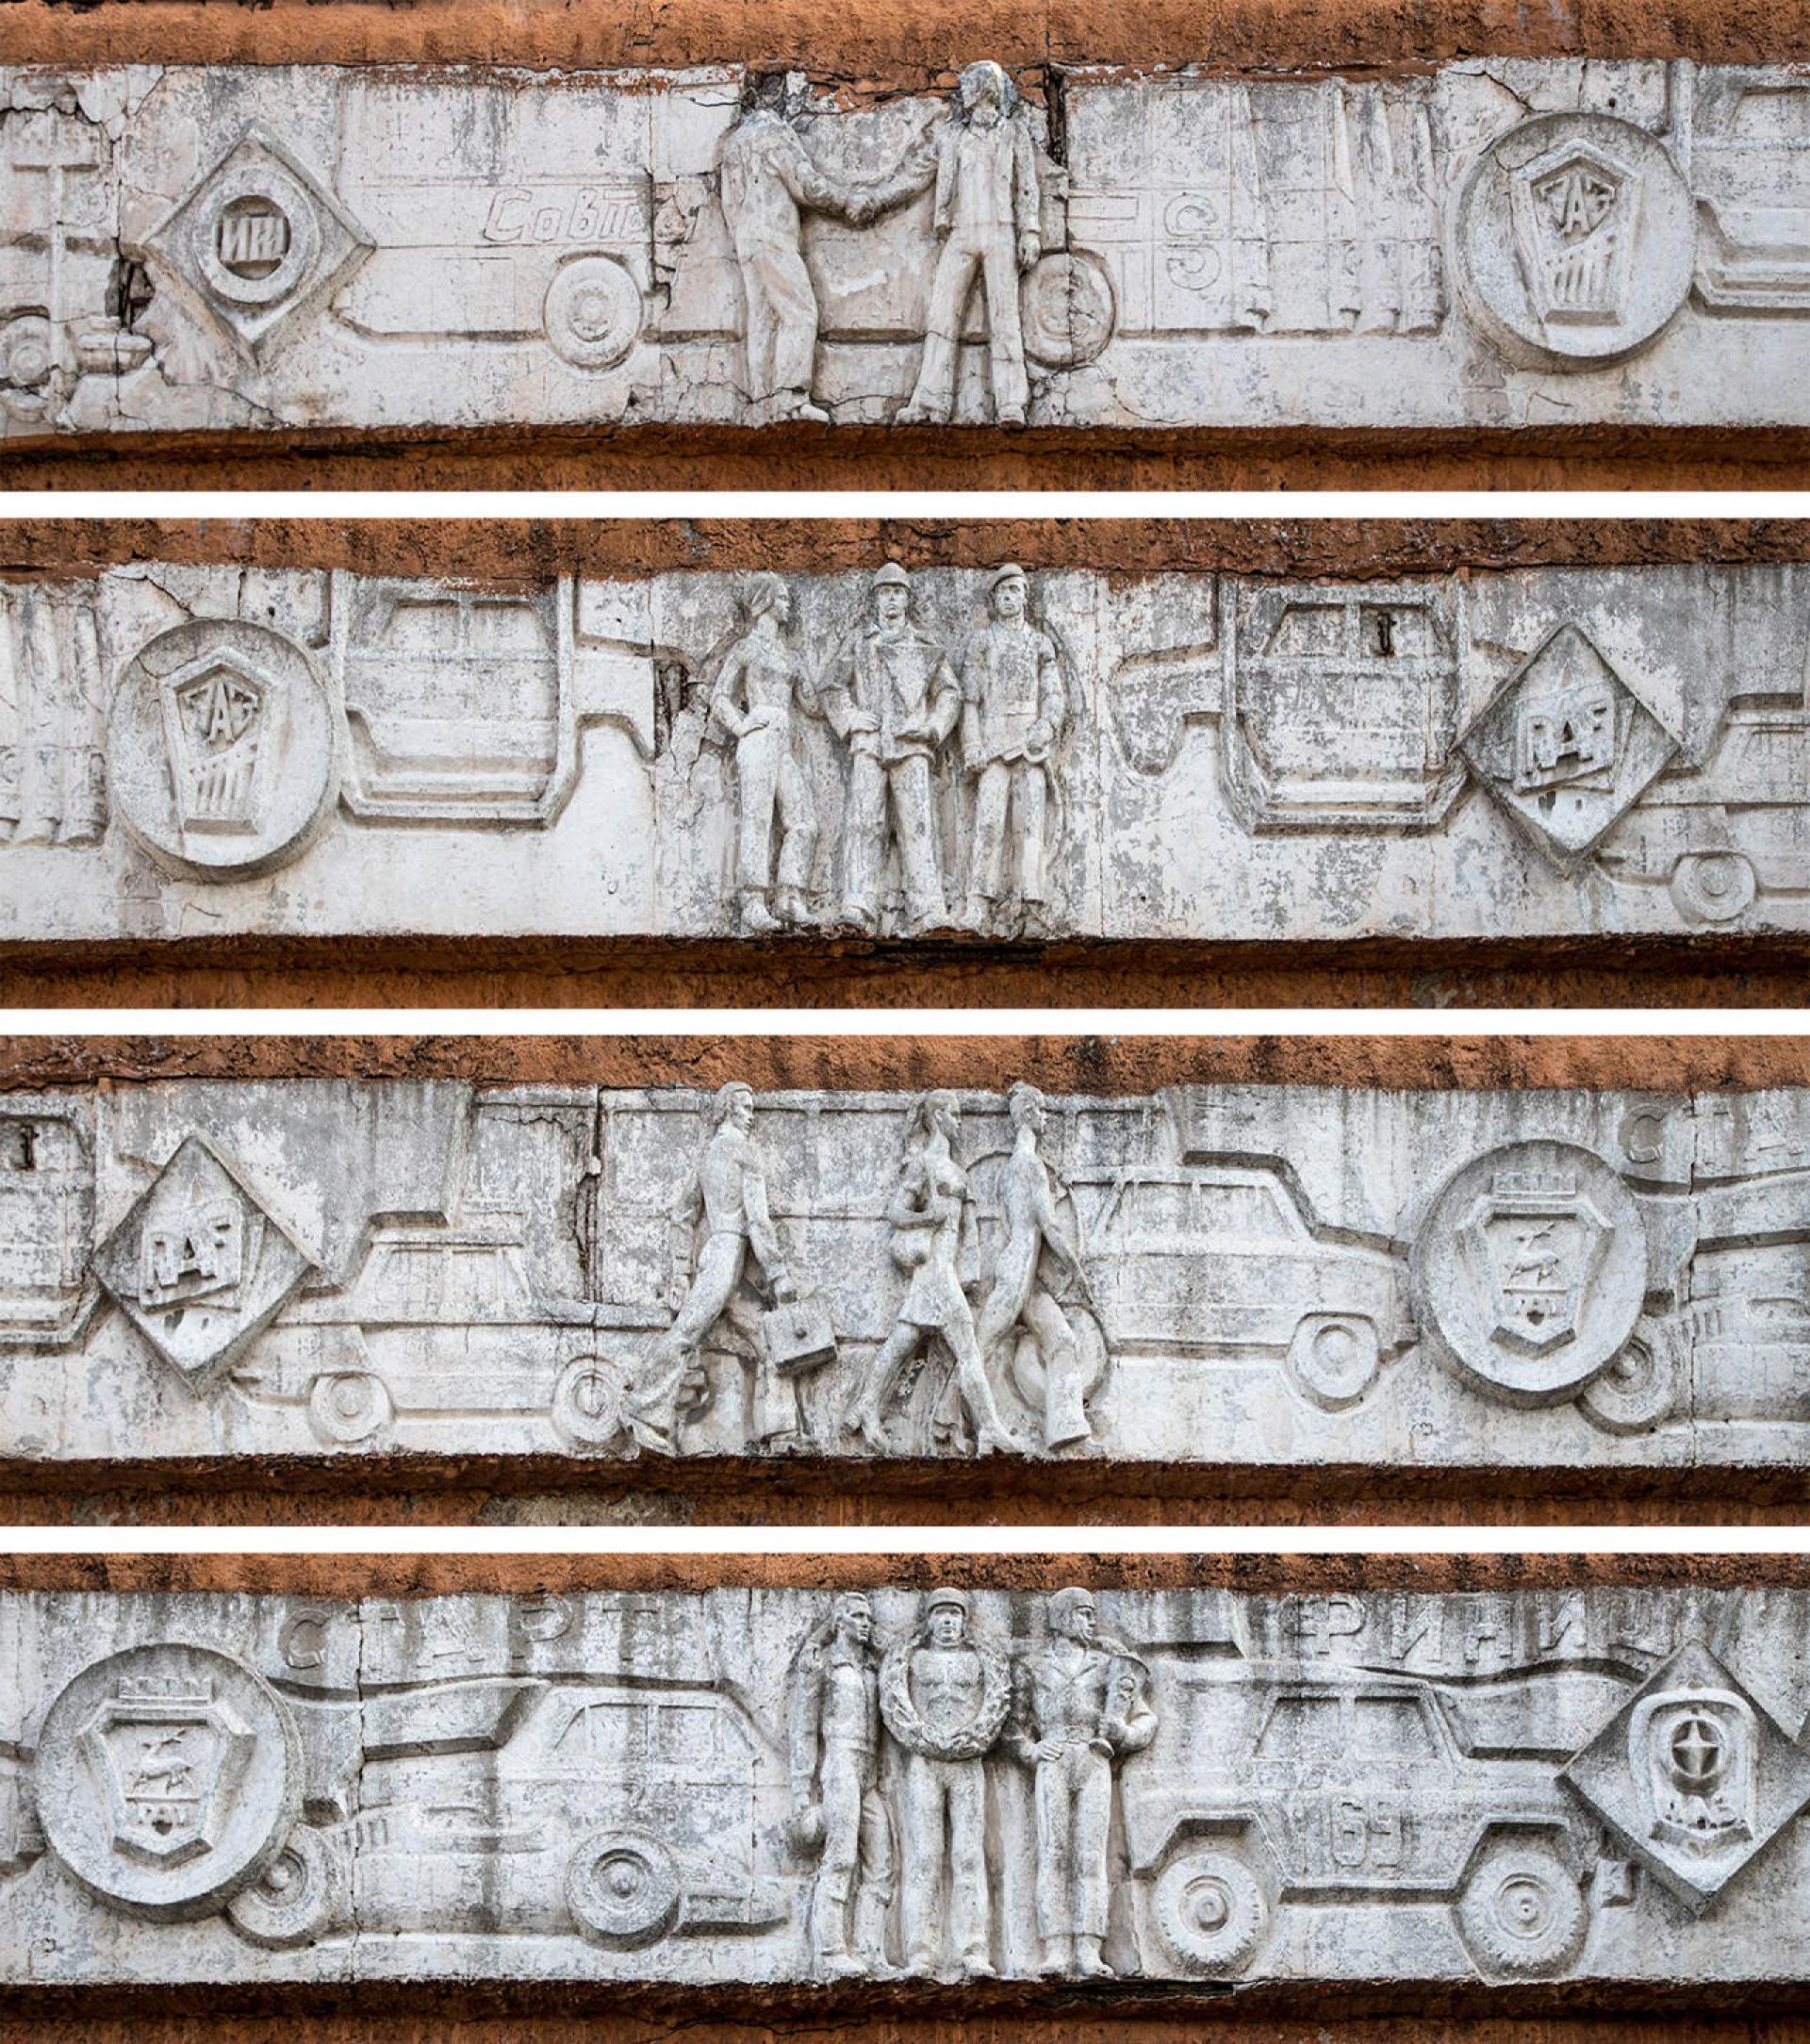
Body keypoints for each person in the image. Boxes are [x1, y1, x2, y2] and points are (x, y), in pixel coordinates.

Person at [625, 1080, 796, 1451]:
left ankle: (780, 1432)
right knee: (687, 1332)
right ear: (728, 1110)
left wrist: (681, 1271)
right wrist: (779, 1275)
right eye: (746, 1108)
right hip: (728, 1254)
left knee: (766, 1338)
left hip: (717, 1255)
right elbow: (759, 1222)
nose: (751, 1116)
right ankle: (644, 1410)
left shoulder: (709, 1154)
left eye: (751, 1108)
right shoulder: (744, 1153)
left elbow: (683, 1215)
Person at [845, 1090, 1015, 1456]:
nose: (960, 1122)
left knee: (902, 1341)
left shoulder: (955, 1171)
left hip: (941, 1272)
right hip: (935, 1273)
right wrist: (926, 1218)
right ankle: (989, 1428)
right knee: (967, 1351)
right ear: (937, 1117)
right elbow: (895, 1212)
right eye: (954, 1115)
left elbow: (967, 1234)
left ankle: (865, 1405)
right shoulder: (922, 1164)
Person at [717, 71, 886, 425]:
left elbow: (729, 203)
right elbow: (806, 186)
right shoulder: (774, 135)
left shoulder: (735, 143)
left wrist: (743, 235)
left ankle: (762, 402)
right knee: (800, 313)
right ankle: (791, 399)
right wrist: (846, 203)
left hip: (747, 239)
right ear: (777, 96)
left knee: (763, 319)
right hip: (774, 236)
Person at [1005, 1586, 1157, 1978]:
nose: (1091, 1621)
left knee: (1090, 1857)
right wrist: (1031, 1751)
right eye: (1083, 1614)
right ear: (1061, 1617)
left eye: (1091, 1615)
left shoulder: (1110, 1664)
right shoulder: (1034, 1666)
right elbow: (1011, 1726)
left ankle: (1089, 1948)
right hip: (1054, 1761)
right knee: (1054, 1853)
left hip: (1094, 1758)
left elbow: (1145, 1719)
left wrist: (1121, 1732)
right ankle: (1056, 1948)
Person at [897, 60, 1041, 427]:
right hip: (960, 232)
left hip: (1000, 231)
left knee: (1005, 318)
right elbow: (917, 174)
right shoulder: (952, 136)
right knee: (942, 315)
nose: (964, 93)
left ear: (980, 91)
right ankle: (931, 401)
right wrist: (876, 198)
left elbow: (1027, 186)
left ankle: (1011, 403)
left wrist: (1031, 231)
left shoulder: (1013, 133)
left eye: (969, 87)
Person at [819, 562, 960, 933]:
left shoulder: (924, 644)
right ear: (876, 599)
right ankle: (858, 903)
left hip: (911, 745)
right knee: (865, 822)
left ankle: (928, 908)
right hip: (869, 743)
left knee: (918, 825)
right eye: (885, 593)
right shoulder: (859, 643)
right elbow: (832, 687)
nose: (892, 599)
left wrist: (931, 727)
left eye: (898, 592)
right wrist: (850, 719)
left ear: (907, 599)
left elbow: (949, 692)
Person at [880, 1587, 1010, 1979]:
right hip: (923, 1761)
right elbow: (896, 1703)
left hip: (968, 1761)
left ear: (965, 1622)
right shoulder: (914, 1660)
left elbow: (996, 1703)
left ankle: (974, 1950)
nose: (949, 1621)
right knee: (924, 1859)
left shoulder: (979, 1661)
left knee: (969, 1858)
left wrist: (969, 1737)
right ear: (929, 1620)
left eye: (955, 1614)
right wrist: (926, 1737)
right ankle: (922, 1953)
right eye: (941, 1614)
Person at [975, 1081, 1094, 1448]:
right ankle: (949, 1421)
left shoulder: (1015, 1165)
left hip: (1024, 1268)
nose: (1045, 1117)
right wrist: (1074, 1267)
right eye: (1040, 1111)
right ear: (1028, 1114)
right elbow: (1048, 1224)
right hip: (1018, 1268)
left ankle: (1065, 1430)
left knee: (1062, 1340)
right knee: (980, 1346)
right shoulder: (1029, 1164)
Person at [787, 1591, 897, 1979]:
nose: (866, 1623)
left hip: (870, 1771)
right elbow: (803, 1729)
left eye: (868, 1617)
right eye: (857, 1617)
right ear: (839, 1623)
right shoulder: (822, 1666)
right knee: (840, 1858)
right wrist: (802, 1788)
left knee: (881, 1864)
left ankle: (869, 1951)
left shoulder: (873, 1669)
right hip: (840, 1763)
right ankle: (830, 1951)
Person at [956, 565, 1066, 932]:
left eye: (1014, 591)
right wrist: (971, 744)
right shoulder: (982, 642)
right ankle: (978, 901)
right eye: (1002, 592)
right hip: (992, 744)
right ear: (994, 600)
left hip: (1030, 745)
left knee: (1030, 824)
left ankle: (1031, 901)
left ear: (1024, 597)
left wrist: (1046, 726)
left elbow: (1053, 695)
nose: (1008, 597)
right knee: (988, 823)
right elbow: (970, 701)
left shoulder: (1039, 644)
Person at [710, 572, 818, 932]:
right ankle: (753, 900)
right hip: (758, 735)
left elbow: (812, 704)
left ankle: (789, 895)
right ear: (766, 602)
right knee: (757, 819)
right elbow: (720, 697)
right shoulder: (745, 648)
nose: (788, 605)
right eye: (782, 598)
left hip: (783, 739)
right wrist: (742, 727)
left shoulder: (790, 656)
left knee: (803, 821)